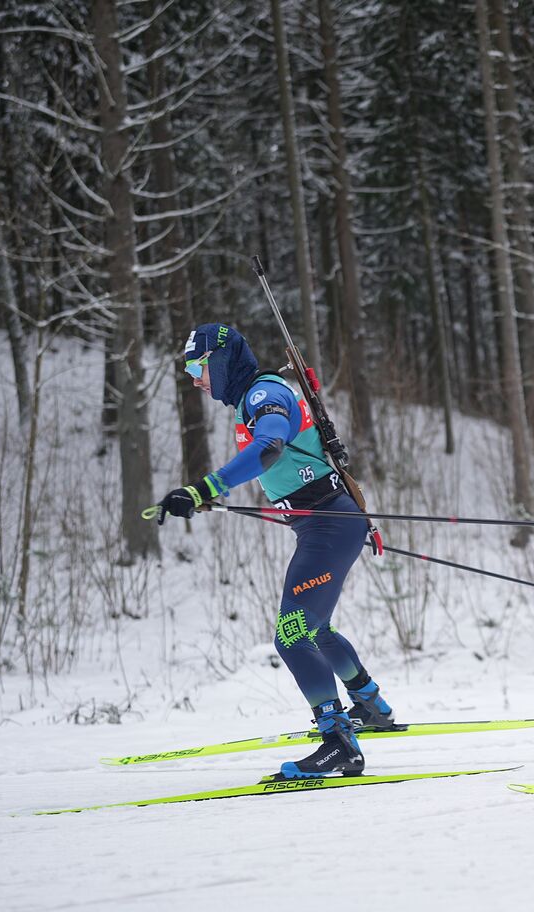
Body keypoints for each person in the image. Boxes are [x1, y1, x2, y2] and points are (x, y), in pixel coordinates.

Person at [156, 323, 396, 779]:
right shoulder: (254, 396)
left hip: (329, 524)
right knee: (315, 629)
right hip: (324, 524)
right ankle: (371, 706)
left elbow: (269, 445)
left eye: (197, 367)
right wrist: (208, 496)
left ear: (221, 360)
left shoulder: (264, 395)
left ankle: (339, 742)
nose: (194, 379)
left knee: (291, 633)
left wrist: (206, 485)